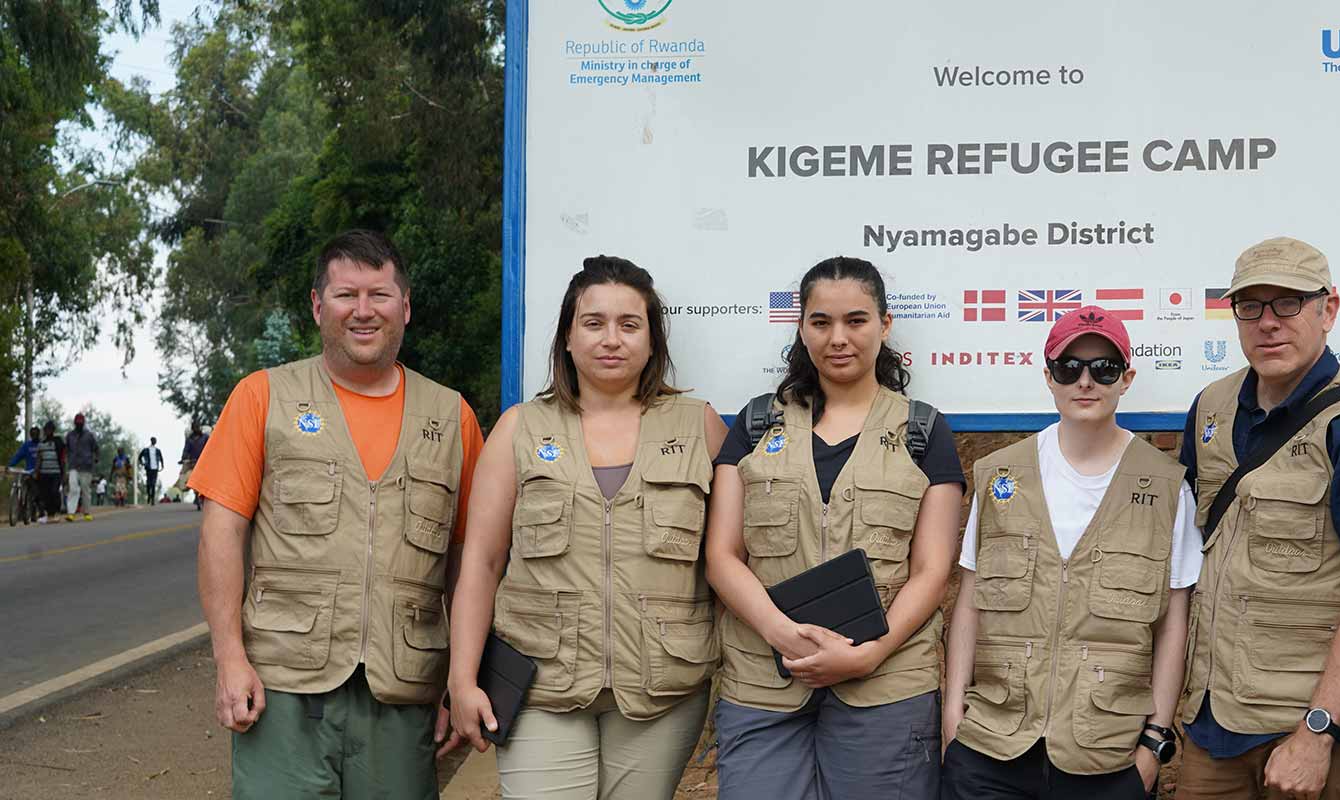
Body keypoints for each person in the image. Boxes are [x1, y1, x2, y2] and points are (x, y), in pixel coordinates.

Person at [190, 229, 486, 799]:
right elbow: (221, 532)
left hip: (402, 692)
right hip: (284, 689)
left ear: (406, 306)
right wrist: (229, 656)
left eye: (379, 294)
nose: (363, 311)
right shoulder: (263, 397)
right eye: (346, 294)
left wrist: (460, 676)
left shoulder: (452, 417)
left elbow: (469, 563)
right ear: (318, 305)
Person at [447, 257, 728, 800]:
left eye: (629, 324)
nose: (611, 339)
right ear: (568, 339)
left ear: (652, 342)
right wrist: (462, 678)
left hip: (663, 689)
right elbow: (481, 564)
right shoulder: (520, 429)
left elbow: (728, 560)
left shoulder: (699, 427)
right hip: (538, 684)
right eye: (594, 323)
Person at [705, 256, 965, 800]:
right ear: (801, 327)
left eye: (856, 320)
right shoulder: (756, 425)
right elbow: (722, 557)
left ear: (885, 325)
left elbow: (932, 569)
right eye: (821, 322)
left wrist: (868, 652)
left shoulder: (922, 431)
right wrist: (783, 636)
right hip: (763, 684)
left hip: (886, 683)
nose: (838, 338)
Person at [1175, 237, 1340, 800]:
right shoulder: (1209, 408)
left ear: (1328, 309)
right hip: (1215, 726)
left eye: (1288, 303)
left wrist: (1318, 732)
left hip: (1320, 733)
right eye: (1251, 306)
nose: (1268, 322)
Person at [941, 308, 1201, 800]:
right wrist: (954, 720)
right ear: (1048, 376)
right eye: (1069, 368)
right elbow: (969, 604)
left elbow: (1173, 625)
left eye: (1103, 368)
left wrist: (1154, 741)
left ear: (1127, 378)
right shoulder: (1001, 474)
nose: (1086, 381)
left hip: (1106, 755)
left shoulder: (1168, 487)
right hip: (991, 746)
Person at [64, 413, 99, 521]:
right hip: (73, 465)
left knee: (85, 489)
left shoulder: (89, 435)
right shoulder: (70, 435)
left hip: (86, 465)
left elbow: (96, 449)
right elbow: (66, 449)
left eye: (80, 423)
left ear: (83, 423)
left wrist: (96, 458)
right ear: (75, 423)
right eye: (77, 423)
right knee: (73, 488)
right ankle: (71, 513)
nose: (79, 425)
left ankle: (87, 512)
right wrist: (65, 460)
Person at [34, 421, 65, 524]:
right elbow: (39, 459)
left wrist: (63, 473)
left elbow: (62, 458)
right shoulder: (41, 444)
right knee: (45, 494)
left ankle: (56, 512)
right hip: (44, 473)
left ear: (53, 430)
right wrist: (36, 472)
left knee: (54, 492)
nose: (47, 432)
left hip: (56, 472)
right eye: (46, 430)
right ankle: (49, 514)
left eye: (49, 430)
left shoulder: (58, 442)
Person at [139, 437, 165, 505]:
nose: (154, 441)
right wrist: (142, 463)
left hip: (155, 468)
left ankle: (152, 499)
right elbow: (140, 457)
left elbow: (161, 458)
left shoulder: (158, 450)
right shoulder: (146, 449)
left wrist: (162, 465)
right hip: (148, 468)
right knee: (148, 484)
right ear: (151, 441)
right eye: (153, 440)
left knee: (153, 484)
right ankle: (149, 495)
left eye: (155, 440)